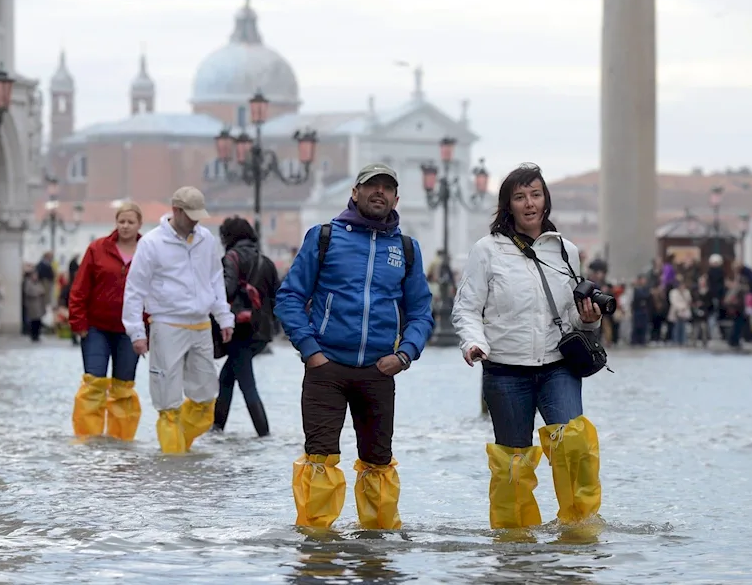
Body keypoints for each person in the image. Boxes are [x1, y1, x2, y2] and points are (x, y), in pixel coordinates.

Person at [275, 163, 434, 530]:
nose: (379, 192)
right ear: (355, 192)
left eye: (387, 187)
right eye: (371, 186)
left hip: (379, 371)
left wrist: (404, 355)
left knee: (379, 462)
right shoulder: (324, 236)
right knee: (320, 459)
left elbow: (422, 312)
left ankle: (377, 552)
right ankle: (317, 548)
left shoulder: (407, 249)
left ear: (396, 198)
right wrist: (311, 352)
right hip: (326, 370)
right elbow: (289, 297)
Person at [450, 163, 603, 530]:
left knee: (574, 448)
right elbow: (467, 308)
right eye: (520, 196)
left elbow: (573, 318)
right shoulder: (486, 250)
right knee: (512, 463)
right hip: (505, 369)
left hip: (558, 366)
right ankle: (514, 542)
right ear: (508, 205)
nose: (529, 203)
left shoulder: (566, 250)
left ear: (545, 200)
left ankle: (579, 530)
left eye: (535, 194)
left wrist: (591, 317)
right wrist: (473, 343)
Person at [122, 187, 234, 454]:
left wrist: (223, 316)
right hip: (166, 324)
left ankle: (178, 447)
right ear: (176, 210)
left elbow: (215, 278)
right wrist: (136, 331)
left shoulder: (206, 240)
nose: (196, 220)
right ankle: (173, 464)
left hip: (201, 324)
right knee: (168, 401)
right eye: (191, 215)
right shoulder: (151, 243)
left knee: (207, 398)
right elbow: (135, 288)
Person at [68, 202, 145, 440]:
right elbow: (79, 288)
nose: (125, 226)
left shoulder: (148, 250)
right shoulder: (97, 248)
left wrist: (148, 328)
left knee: (123, 388)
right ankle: (88, 438)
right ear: (116, 222)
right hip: (95, 329)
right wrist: (78, 323)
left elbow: (157, 291)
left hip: (130, 331)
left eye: (130, 222)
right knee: (94, 383)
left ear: (139, 224)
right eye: (121, 221)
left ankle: (120, 439)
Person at [212, 216, 280, 437]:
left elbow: (226, 291)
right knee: (227, 378)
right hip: (262, 332)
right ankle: (217, 429)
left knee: (247, 384)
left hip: (240, 330)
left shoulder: (231, 258)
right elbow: (277, 297)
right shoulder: (266, 261)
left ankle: (263, 434)